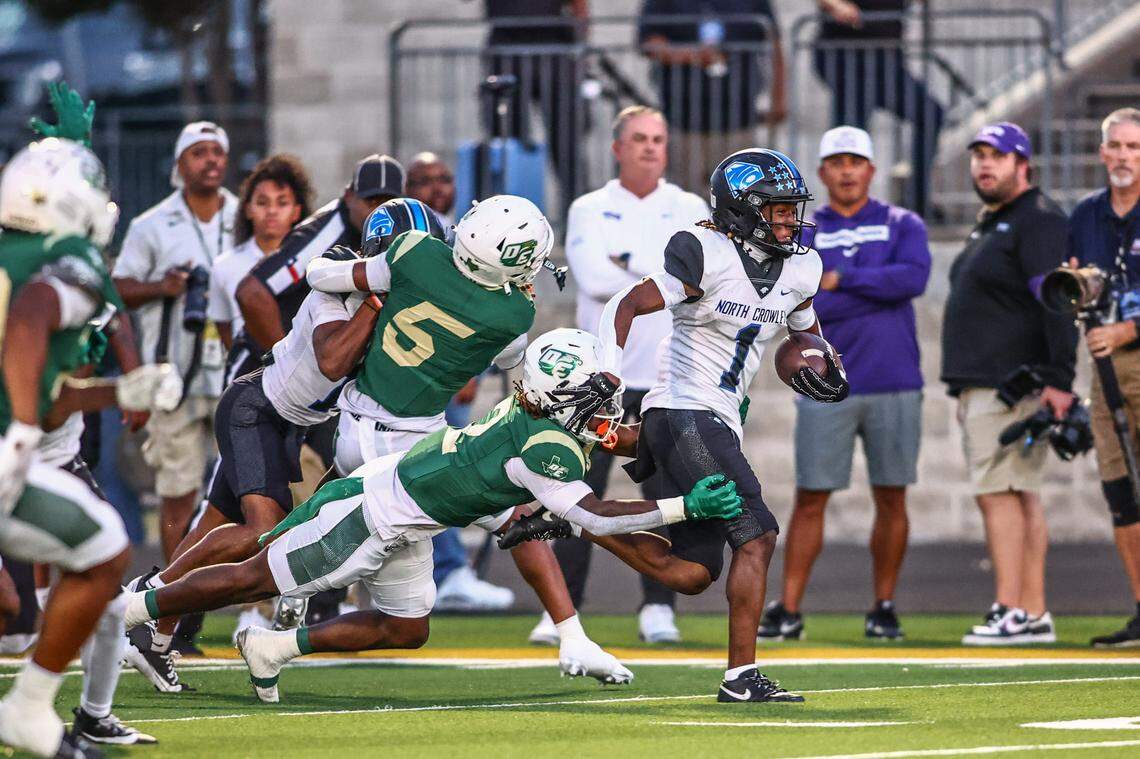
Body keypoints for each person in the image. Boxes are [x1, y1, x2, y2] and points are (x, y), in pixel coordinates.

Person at [121, 328, 741, 703]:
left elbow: (604, 450)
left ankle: (274, 647)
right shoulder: (545, 446)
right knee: (252, 576)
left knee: (407, 629)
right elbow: (600, 518)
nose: (606, 408)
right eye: (593, 397)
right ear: (561, 400)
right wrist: (684, 505)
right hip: (370, 516)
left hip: (407, 515)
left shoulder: (543, 422)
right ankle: (129, 611)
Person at [517, 148, 847, 702]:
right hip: (684, 410)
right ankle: (741, 678)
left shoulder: (801, 268)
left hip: (713, 418)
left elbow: (805, 335)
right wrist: (610, 375)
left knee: (691, 573)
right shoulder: (703, 251)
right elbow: (623, 303)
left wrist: (823, 362)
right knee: (758, 535)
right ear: (742, 211)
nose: (790, 219)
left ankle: (575, 521)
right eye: (777, 209)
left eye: (793, 209)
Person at [0, 135, 179, 757]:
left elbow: (50, 395)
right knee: (101, 554)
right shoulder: (64, 257)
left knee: (44, 586)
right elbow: (30, 316)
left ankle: (34, 711)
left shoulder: (13, 252)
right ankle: (26, 709)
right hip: (9, 455)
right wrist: (20, 434)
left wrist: (118, 390)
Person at [531, 105, 708, 646]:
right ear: (617, 148)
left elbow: (695, 279)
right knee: (573, 494)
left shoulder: (690, 205)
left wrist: (631, 262)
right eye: (639, 139)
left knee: (663, 494)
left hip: (662, 378)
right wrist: (658, 269)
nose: (651, 147)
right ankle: (563, 611)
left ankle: (658, 607)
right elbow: (592, 276)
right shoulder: (589, 206)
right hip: (596, 383)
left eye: (658, 138)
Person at [759, 126, 930, 641]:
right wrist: (868, 287)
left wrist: (840, 279)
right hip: (824, 380)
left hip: (895, 377)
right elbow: (801, 298)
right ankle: (788, 608)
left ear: (871, 170)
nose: (848, 170)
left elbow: (914, 279)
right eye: (837, 161)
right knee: (811, 494)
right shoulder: (803, 232)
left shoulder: (903, 221)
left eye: (857, 160)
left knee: (892, 495)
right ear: (823, 172)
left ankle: (884, 605)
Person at [941, 122, 1077, 645]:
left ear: (1024, 165)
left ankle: (1013, 608)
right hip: (988, 384)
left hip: (1015, 384)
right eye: (977, 155)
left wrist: (1060, 378)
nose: (983, 165)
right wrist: (963, 390)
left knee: (1002, 492)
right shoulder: (996, 222)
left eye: (996, 156)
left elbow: (1059, 301)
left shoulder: (1036, 221)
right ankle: (1032, 610)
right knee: (1017, 493)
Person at [112, 121, 238, 559]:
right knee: (178, 494)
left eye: (217, 151)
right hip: (174, 376)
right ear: (180, 164)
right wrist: (161, 288)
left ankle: (241, 596)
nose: (211, 161)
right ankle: (174, 599)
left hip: (234, 373)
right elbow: (116, 289)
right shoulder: (151, 225)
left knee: (246, 494)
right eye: (199, 152)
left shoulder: (244, 216)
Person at [227, 153, 403, 383]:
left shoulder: (393, 230)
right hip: (258, 373)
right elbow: (252, 293)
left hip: (317, 375)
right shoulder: (326, 234)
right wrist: (287, 362)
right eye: (371, 201)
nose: (379, 211)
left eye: (387, 203)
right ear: (349, 196)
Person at [1067, 107, 1140, 648]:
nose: (1123, 157)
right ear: (1101, 152)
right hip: (1101, 364)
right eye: (1116, 146)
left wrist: (1126, 329)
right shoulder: (1086, 215)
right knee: (1121, 490)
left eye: (1134, 148)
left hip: (1128, 347)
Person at [638, 0, 785, 195]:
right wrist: (691, 56)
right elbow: (650, 42)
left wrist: (779, 97)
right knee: (685, 199)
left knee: (741, 199)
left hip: (738, 118)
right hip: (683, 120)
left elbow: (773, 42)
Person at [814, 0, 943, 216]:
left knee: (930, 114)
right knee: (850, 132)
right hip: (845, 55)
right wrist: (836, 5)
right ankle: (843, 207)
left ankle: (916, 198)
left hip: (886, 57)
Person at [484, 0, 588, 203]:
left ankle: (576, 212)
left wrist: (581, 48)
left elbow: (579, 6)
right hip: (507, 45)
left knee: (566, 143)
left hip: (554, 47)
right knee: (507, 141)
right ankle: (505, 215)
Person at [207, 154, 313, 351]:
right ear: (248, 209)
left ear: (296, 211)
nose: (272, 211)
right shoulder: (223, 266)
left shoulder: (314, 262)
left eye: (282, 203)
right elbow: (225, 330)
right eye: (262, 203)